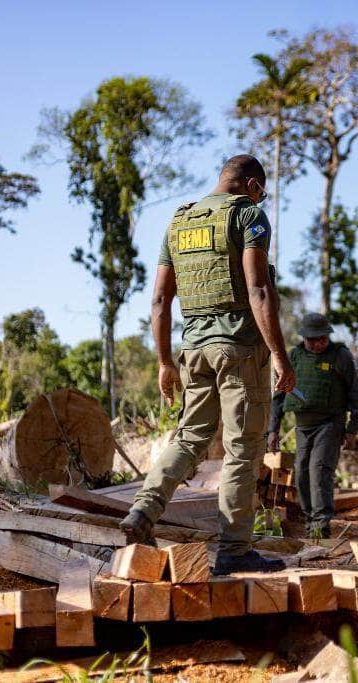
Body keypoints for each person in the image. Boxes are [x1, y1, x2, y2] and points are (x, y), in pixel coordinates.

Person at [119, 154, 295, 575]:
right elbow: (258, 288)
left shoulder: (179, 222)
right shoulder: (249, 215)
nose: (261, 197)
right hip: (237, 348)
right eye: (262, 191)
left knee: (189, 436)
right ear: (251, 185)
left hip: (193, 349)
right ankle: (234, 550)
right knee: (242, 448)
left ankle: (143, 510)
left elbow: (161, 300)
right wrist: (279, 355)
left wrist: (165, 362)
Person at [267, 313, 358, 538]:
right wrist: (273, 430)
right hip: (303, 426)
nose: (316, 344)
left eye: (321, 339)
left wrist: (352, 429)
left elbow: (356, 394)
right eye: (311, 339)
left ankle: (321, 525)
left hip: (330, 424)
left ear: (327, 336)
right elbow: (278, 397)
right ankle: (310, 520)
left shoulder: (340, 356)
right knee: (301, 472)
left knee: (319, 470)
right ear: (303, 338)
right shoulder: (293, 357)